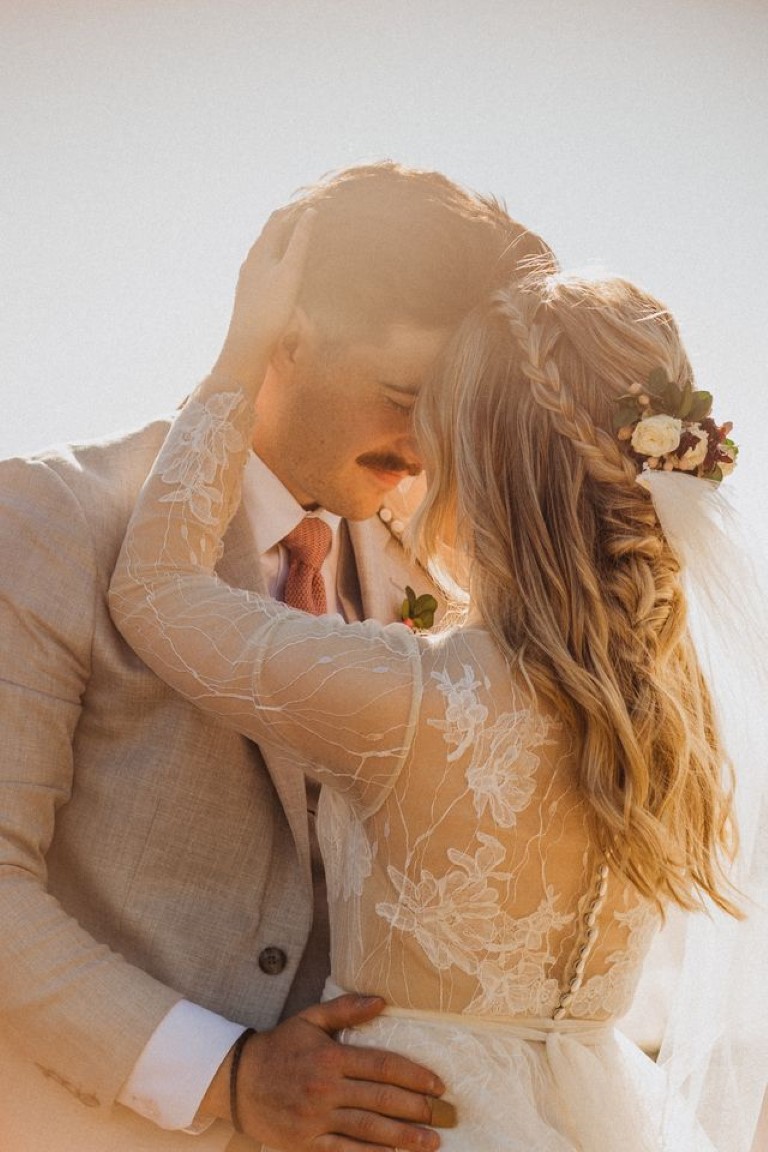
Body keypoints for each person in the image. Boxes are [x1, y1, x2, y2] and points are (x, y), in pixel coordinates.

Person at [109, 210, 767, 1152]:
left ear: (485, 467)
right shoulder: (674, 715)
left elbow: (157, 591)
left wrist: (240, 362)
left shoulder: (418, 699)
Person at [0, 163, 555, 1152]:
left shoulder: (425, 580)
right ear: (283, 334)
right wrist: (230, 1075)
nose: (426, 448)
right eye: (401, 395)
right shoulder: (47, 520)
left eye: (453, 410)